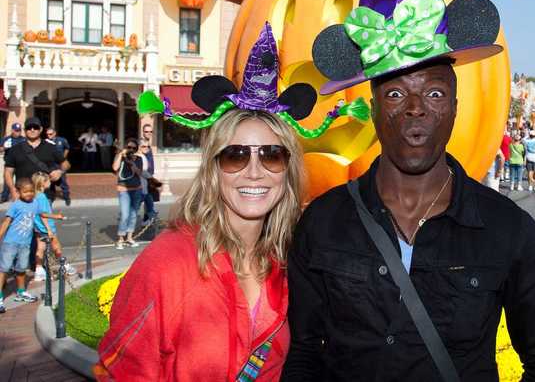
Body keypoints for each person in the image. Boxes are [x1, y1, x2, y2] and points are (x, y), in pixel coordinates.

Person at [283, 0, 535, 381]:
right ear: (372, 109)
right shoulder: (323, 225)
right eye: (395, 95)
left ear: (456, 108)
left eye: (434, 94)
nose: (415, 108)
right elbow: (305, 354)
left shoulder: (507, 231)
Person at [96, 21, 351, 380]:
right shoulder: (166, 265)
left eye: (271, 155)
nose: (254, 170)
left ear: (287, 170)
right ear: (214, 168)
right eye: (235, 155)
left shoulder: (291, 262)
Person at [0, 178, 41, 313]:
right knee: (4, 268)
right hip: (10, 242)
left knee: (22, 268)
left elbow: (38, 216)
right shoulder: (16, 205)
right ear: (18, 192)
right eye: (25, 192)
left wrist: (53, 219)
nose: (29, 194)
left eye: (31, 191)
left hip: (25, 243)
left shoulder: (35, 203)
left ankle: (21, 292)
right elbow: (7, 222)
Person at [4, 117, 69, 200]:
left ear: (41, 129)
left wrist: (60, 172)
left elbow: (66, 164)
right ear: (24, 130)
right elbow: (8, 172)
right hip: (23, 195)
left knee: (45, 213)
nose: (32, 130)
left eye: (35, 127)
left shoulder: (51, 147)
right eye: (29, 127)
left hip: (45, 195)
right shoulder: (15, 149)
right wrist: (12, 190)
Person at [30, 172, 75, 280]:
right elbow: (43, 215)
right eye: (49, 181)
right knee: (57, 247)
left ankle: (39, 270)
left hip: (38, 228)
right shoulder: (42, 197)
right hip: (47, 228)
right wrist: (56, 217)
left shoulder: (35, 196)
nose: (51, 182)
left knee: (40, 249)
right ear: (42, 184)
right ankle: (64, 265)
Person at [111, 138, 144, 249]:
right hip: (123, 189)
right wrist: (121, 154)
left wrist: (131, 162)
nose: (131, 150)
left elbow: (139, 173)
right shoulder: (121, 157)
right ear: (126, 147)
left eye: (134, 148)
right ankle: (120, 238)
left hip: (136, 189)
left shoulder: (138, 158)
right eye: (129, 147)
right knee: (125, 214)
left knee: (133, 214)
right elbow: (115, 168)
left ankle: (129, 237)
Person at [45, 127, 71, 206]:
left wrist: (63, 157)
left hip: (60, 164)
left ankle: (66, 197)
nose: (49, 135)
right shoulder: (45, 142)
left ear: (55, 133)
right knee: (51, 181)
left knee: (63, 181)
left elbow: (67, 148)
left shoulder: (61, 140)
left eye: (50, 134)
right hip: (51, 164)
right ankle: (52, 197)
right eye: (47, 134)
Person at [1, 123, 25, 202]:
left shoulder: (23, 139)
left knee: (21, 180)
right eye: (16, 130)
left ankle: (21, 196)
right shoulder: (6, 139)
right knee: (7, 181)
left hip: (20, 163)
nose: (18, 132)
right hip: (9, 164)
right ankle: (4, 197)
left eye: (19, 131)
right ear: (12, 130)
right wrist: (4, 147)